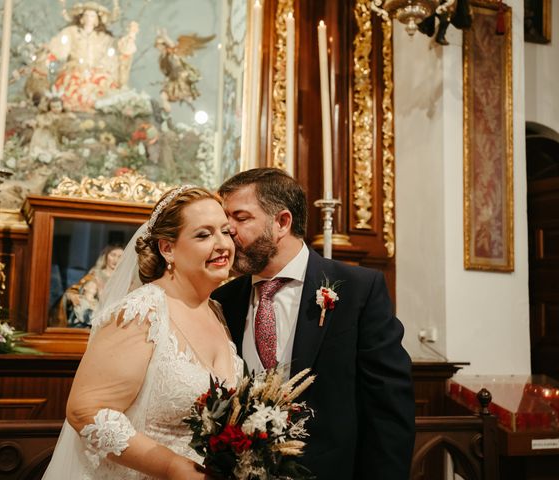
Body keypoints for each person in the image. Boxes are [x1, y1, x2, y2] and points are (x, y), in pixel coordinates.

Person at [212, 168, 415, 480]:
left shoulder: (358, 289)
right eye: (225, 221)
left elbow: (388, 407)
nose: (228, 232)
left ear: (281, 222)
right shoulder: (223, 299)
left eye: (240, 218)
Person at [43, 185, 240, 479]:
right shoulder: (141, 312)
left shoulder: (216, 311)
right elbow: (86, 411)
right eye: (204, 234)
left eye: (226, 231)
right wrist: (172, 466)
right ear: (167, 248)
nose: (222, 244)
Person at [42, 2, 138, 111]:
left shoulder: (104, 38)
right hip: (74, 71)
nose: (89, 19)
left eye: (92, 16)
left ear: (97, 20)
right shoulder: (71, 32)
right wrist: (47, 55)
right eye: (86, 15)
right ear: (81, 18)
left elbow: (117, 50)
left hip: (97, 74)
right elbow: (59, 49)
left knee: (103, 88)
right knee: (71, 87)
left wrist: (130, 37)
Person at [51, 244, 124, 328]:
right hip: (92, 318)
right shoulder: (95, 274)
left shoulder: (123, 278)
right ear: (106, 256)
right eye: (113, 255)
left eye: (120, 256)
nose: (116, 259)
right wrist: (71, 295)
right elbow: (74, 290)